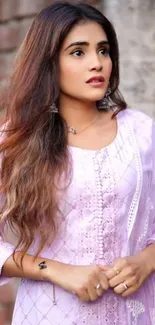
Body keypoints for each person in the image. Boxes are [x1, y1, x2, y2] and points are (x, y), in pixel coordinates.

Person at [0, 1, 155, 324]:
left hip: (135, 312)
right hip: (51, 312)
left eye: (104, 50)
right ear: (48, 63)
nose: (97, 63)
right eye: (78, 52)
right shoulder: (16, 140)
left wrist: (146, 261)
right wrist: (55, 270)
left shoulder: (141, 132)